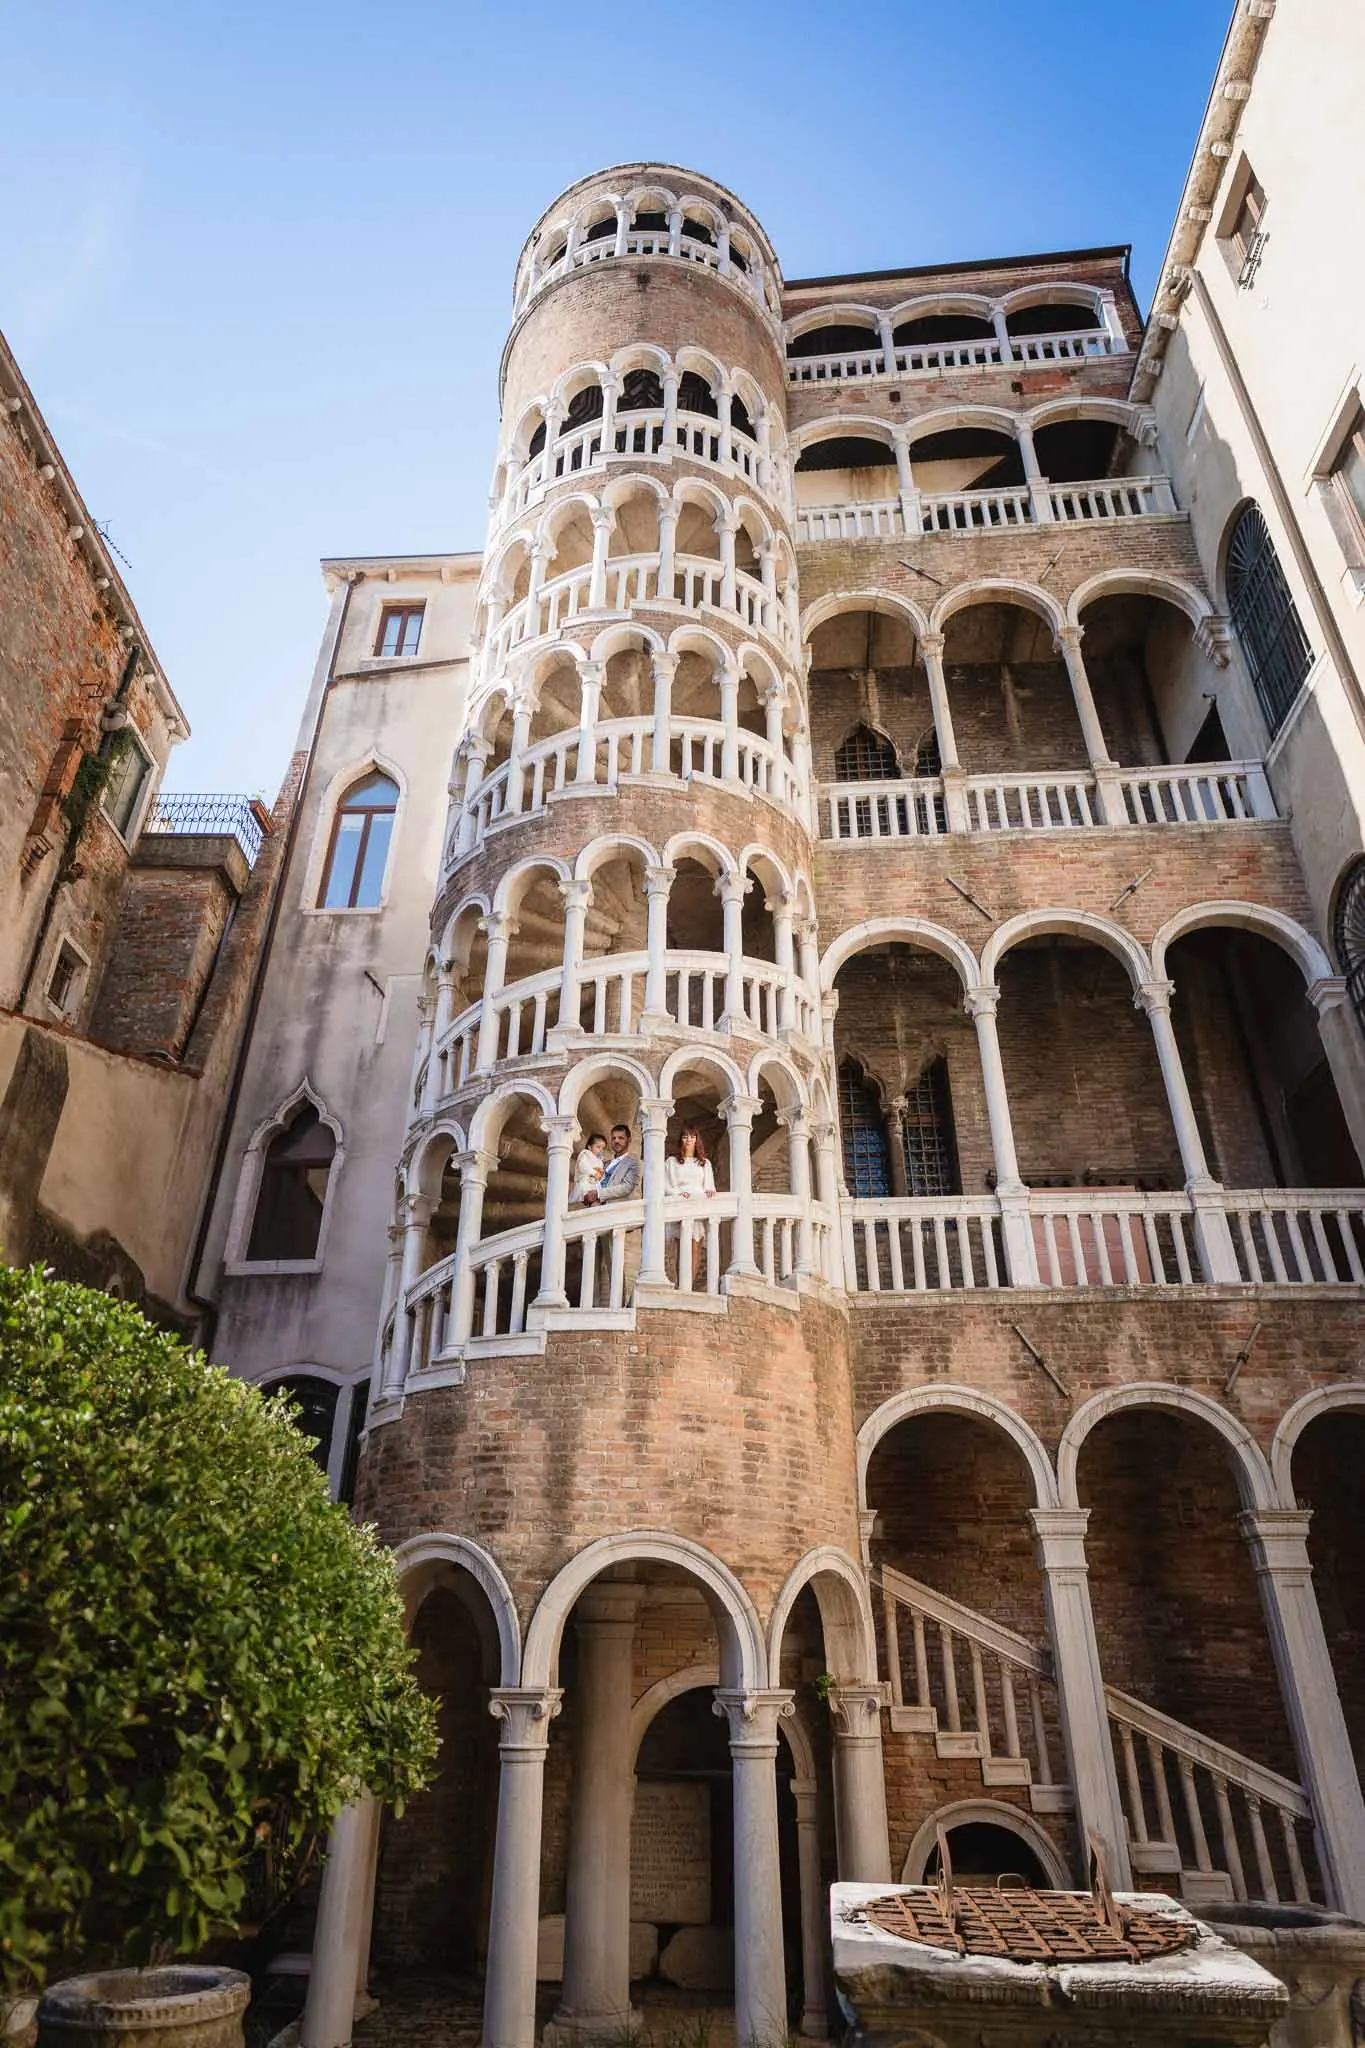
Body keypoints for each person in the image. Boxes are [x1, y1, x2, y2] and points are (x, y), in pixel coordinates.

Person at [581, 1122, 642, 1304]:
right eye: (614, 1138)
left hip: (614, 1216)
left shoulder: (634, 1163)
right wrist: (588, 1194)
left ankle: (619, 1305)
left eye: (620, 1138)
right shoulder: (604, 1163)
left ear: (628, 1140)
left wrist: (599, 1193)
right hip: (594, 1214)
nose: (616, 1141)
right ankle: (590, 1304)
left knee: (613, 1261)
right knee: (590, 1260)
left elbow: (627, 1187)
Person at [664, 1124, 716, 1286]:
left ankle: (690, 1285)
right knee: (682, 1247)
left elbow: (709, 1185)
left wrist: (709, 1191)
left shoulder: (704, 1163)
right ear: (681, 1140)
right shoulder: (672, 1162)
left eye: (692, 1137)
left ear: (696, 1140)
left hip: (698, 1204)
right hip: (681, 1203)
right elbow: (664, 1183)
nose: (689, 1140)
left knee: (695, 1246)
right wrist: (676, 1194)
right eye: (685, 1137)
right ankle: (682, 1284)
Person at [573, 1131, 608, 1204]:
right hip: (584, 1180)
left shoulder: (600, 1161)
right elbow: (583, 1166)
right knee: (584, 1187)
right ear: (589, 1147)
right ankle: (587, 1200)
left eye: (602, 1148)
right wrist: (594, 1173)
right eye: (598, 1147)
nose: (601, 1150)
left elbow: (600, 1174)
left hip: (594, 1183)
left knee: (600, 1189)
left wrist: (602, 1175)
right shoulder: (585, 1154)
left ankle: (597, 1201)